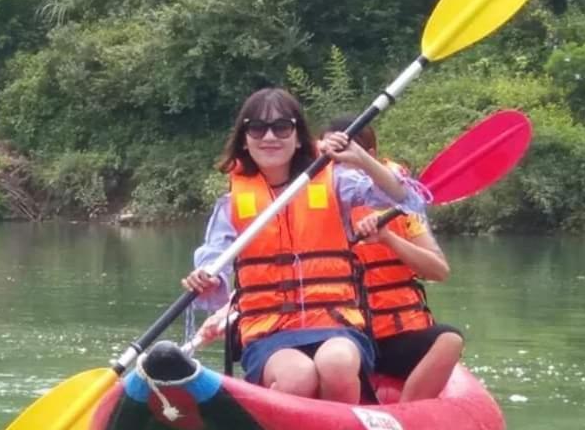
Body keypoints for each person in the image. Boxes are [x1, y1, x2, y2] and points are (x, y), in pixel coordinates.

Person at [182, 88, 425, 404]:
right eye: (257, 128)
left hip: (335, 322)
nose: (270, 136)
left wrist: (361, 158)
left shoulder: (335, 182)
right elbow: (214, 262)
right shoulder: (231, 205)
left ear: (298, 137)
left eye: (282, 127)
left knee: (336, 364)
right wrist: (206, 276)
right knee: (298, 377)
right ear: (245, 139)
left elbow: (407, 199)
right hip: (270, 331)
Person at [331, 118, 465, 402]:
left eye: (349, 154)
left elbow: (439, 271)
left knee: (450, 339)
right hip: (343, 339)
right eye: (332, 157)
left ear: (372, 154)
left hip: (397, 336)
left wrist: (389, 238)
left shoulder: (404, 205)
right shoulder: (316, 202)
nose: (340, 166)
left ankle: (406, 419)